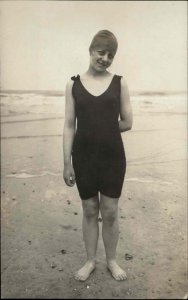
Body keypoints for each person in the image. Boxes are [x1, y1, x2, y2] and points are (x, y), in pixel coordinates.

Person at [63, 29, 133, 281]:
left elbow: (127, 122)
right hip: (83, 157)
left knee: (110, 211)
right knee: (90, 209)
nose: (105, 58)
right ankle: (91, 260)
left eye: (110, 55)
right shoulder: (73, 84)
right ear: (91, 50)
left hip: (113, 156)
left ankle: (112, 260)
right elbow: (69, 125)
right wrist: (66, 163)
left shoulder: (120, 82)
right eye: (101, 52)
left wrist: (101, 129)